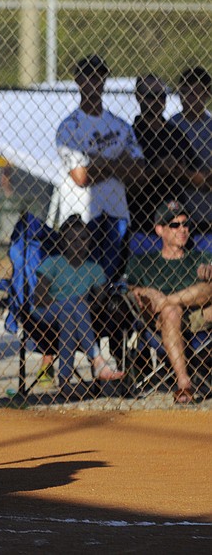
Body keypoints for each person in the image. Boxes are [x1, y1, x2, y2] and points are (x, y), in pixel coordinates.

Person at [125, 201, 212, 404]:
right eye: (174, 225)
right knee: (172, 311)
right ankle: (184, 383)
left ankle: (168, 301)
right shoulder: (143, 262)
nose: (182, 229)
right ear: (159, 230)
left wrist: (210, 272)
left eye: (185, 224)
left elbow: (208, 290)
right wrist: (144, 291)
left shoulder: (200, 258)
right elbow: (130, 290)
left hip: (199, 315)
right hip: (162, 322)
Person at [30, 215, 124, 397]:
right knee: (72, 305)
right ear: (63, 242)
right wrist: (70, 303)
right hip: (45, 314)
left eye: (82, 239)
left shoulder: (94, 268)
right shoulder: (53, 263)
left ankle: (65, 381)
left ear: (89, 241)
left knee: (70, 316)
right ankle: (97, 360)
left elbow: (100, 301)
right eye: (72, 239)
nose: (78, 244)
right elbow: (39, 298)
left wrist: (80, 306)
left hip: (76, 317)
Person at [49, 54, 143, 228]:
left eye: (99, 76)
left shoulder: (121, 125)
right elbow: (81, 177)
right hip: (81, 223)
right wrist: (118, 163)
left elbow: (137, 173)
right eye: (88, 75)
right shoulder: (69, 127)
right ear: (78, 80)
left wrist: (100, 161)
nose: (94, 81)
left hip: (117, 218)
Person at [128, 74, 200, 234]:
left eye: (162, 96)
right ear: (139, 97)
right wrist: (158, 169)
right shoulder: (130, 134)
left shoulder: (176, 134)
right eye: (151, 96)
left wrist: (180, 172)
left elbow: (195, 175)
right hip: (141, 223)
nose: (158, 101)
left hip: (176, 228)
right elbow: (129, 184)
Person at [169, 67, 212, 229]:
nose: (188, 99)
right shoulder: (171, 127)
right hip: (176, 216)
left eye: (194, 93)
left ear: (206, 94)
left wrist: (187, 176)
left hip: (207, 214)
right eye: (184, 92)